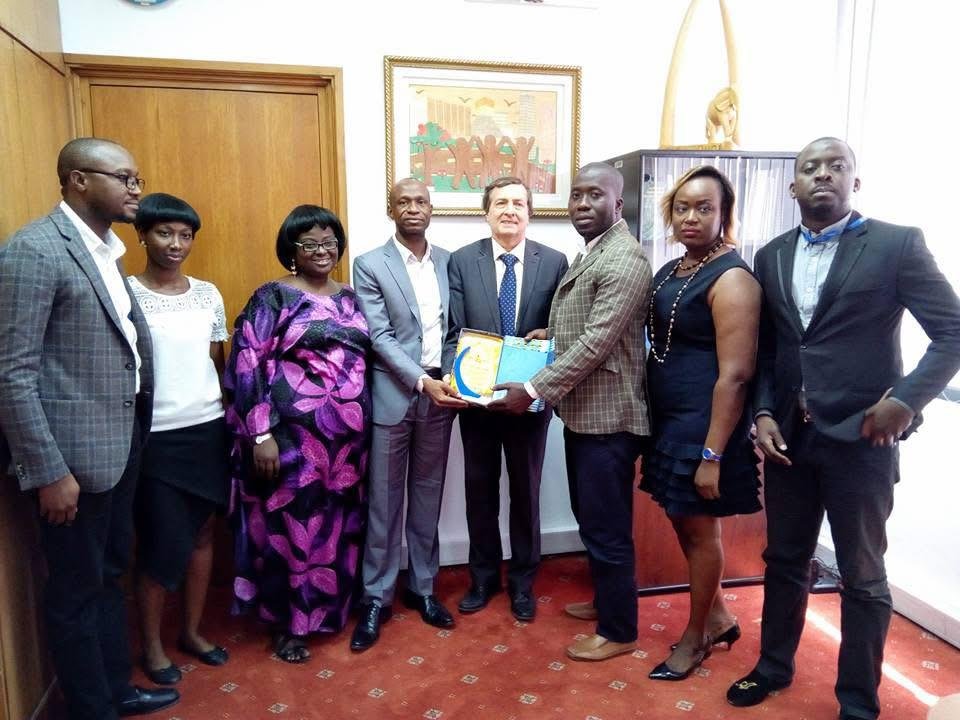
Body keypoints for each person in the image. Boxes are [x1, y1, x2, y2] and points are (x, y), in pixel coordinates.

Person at [725, 137, 960, 719]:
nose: (823, 175)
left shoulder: (896, 245)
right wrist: (762, 412)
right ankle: (773, 667)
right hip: (790, 439)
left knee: (862, 574)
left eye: (837, 166)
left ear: (856, 181)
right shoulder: (771, 255)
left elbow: (952, 332)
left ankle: (858, 701)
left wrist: (905, 402)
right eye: (811, 168)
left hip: (863, 439)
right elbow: (771, 348)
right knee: (784, 560)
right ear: (793, 186)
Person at [0, 138, 179, 719]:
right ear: (78, 180)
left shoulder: (106, 249)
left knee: (109, 575)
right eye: (124, 178)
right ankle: (90, 709)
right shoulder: (35, 250)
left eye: (136, 178)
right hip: (70, 463)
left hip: (120, 447)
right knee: (75, 589)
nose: (135, 189)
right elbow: (12, 373)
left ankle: (115, 690)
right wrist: (47, 471)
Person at [491, 163, 651, 659]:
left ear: (617, 204)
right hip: (586, 414)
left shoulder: (624, 258)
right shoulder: (595, 250)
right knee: (591, 517)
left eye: (594, 195)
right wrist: (551, 335)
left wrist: (532, 388)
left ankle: (620, 631)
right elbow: (589, 324)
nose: (582, 204)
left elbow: (598, 342)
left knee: (606, 526)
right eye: (576, 195)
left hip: (610, 418)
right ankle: (607, 601)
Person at [224, 205, 371, 663]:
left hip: (347, 447)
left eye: (329, 242)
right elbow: (248, 363)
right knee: (292, 530)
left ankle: (330, 610)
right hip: (291, 442)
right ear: (292, 249)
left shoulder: (351, 298)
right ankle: (288, 626)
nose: (322, 251)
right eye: (310, 243)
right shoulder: (273, 297)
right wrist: (260, 434)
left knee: (338, 526)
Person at [640, 166, 762, 681]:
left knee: (700, 532)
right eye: (683, 207)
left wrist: (712, 454)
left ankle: (696, 638)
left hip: (703, 427)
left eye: (704, 207)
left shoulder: (732, 278)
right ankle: (720, 616)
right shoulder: (674, 268)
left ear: (723, 214)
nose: (691, 217)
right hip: (670, 423)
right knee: (679, 518)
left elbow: (736, 375)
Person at [349, 178, 466, 651]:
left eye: (420, 201)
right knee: (384, 500)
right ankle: (375, 597)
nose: (413, 208)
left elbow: (456, 329)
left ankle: (422, 587)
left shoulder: (449, 262)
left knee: (427, 494)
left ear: (431, 209)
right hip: (396, 394)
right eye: (404, 202)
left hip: (442, 393)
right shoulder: (369, 264)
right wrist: (421, 381)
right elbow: (378, 336)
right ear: (391, 209)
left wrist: (453, 373)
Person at [444, 177, 568, 622]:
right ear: (487, 212)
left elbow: (562, 326)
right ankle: (482, 578)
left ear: (530, 212)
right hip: (476, 401)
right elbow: (454, 330)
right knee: (479, 490)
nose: (509, 210)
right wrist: (453, 376)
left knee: (526, 492)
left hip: (529, 400)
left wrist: (549, 345)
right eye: (500, 203)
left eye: (518, 203)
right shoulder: (462, 260)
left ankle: (522, 582)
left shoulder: (553, 261)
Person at [128, 193, 230, 685]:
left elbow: (216, 361)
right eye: (164, 233)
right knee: (161, 541)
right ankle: (151, 646)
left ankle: (191, 632)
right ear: (142, 235)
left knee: (204, 532)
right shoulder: (125, 294)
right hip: (155, 436)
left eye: (185, 235)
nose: (175, 244)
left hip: (207, 428)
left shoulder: (208, 294)